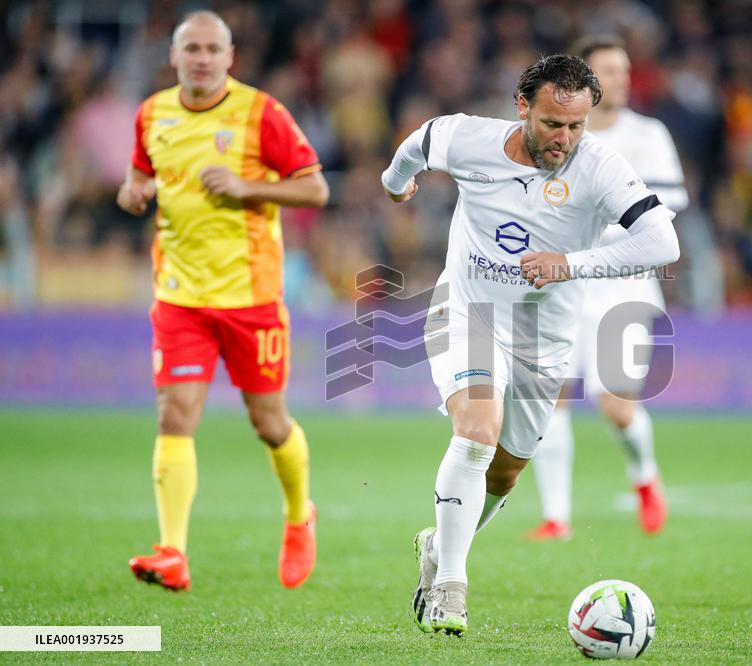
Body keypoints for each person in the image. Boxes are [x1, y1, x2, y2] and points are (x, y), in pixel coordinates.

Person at [381, 54, 680, 636]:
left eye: (576, 126)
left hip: (544, 335)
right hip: (466, 309)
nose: (564, 140)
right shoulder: (467, 138)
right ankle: (451, 587)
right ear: (523, 107)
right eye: (552, 124)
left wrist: (572, 264)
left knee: (505, 474)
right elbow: (419, 142)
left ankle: (438, 548)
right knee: (476, 429)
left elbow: (661, 241)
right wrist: (396, 186)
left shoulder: (599, 166)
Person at [117, 10, 329, 592]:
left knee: (269, 423)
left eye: (213, 48)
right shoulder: (151, 113)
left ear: (231, 56)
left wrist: (249, 187)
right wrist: (133, 193)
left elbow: (315, 187)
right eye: (192, 49)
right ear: (174, 56)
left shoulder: (261, 113)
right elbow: (140, 179)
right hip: (180, 297)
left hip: (250, 296)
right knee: (174, 415)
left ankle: (297, 516)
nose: (203, 58)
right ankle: (172, 552)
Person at [528, 36, 689, 541]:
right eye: (610, 72)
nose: (621, 79)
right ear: (585, 82)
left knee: (616, 406)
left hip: (625, 287)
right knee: (547, 396)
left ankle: (645, 476)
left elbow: (671, 207)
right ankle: (556, 517)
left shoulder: (649, 134)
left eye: (624, 70)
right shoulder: (556, 136)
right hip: (564, 288)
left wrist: (595, 235)